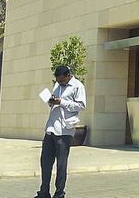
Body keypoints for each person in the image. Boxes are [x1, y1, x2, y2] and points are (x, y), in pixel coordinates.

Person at [37, 65, 86, 198]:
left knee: (61, 164)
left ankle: (59, 193)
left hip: (65, 130)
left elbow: (82, 105)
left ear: (68, 76)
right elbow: (54, 102)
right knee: (45, 161)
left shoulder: (77, 86)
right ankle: (44, 192)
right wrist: (51, 101)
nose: (60, 83)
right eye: (58, 81)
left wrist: (62, 102)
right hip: (51, 127)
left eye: (62, 81)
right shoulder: (57, 86)